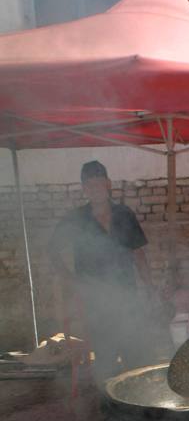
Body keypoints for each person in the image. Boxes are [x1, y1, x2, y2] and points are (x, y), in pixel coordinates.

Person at [49, 160, 160, 385]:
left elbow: (138, 253)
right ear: (84, 189)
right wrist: (69, 278)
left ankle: (138, 401)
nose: (94, 189)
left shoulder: (124, 214)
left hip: (127, 296)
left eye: (99, 184)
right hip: (95, 301)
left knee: (135, 354)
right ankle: (109, 405)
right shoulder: (76, 219)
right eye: (89, 185)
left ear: (108, 184)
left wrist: (149, 287)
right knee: (105, 356)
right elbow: (52, 250)